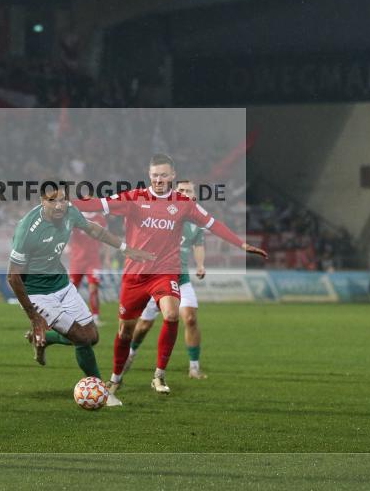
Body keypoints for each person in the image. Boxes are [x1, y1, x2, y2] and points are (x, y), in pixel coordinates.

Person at [75, 154, 267, 395]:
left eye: (164, 175)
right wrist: (65, 203)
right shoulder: (133, 198)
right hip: (135, 275)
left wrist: (241, 244)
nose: (159, 180)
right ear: (149, 175)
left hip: (164, 273)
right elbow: (97, 204)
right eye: (155, 175)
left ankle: (159, 375)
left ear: (172, 176)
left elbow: (212, 223)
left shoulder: (183, 203)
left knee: (173, 315)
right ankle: (115, 378)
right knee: (126, 331)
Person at [7, 184, 154, 407]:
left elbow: (94, 229)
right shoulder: (27, 229)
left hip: (62, 285)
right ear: (41, 201)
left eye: (63, 200)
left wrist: (126, 248)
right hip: (38, 295)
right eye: (52, 201)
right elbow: (12, 277)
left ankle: (43, 339)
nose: (59, 205)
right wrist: (34, 316)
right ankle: (102, 392)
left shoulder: (69, 212)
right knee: (81, 338)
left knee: (92, 336)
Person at [122, 179, 210, 380]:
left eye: (188, 191)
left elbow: (198, 244)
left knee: (190, 318)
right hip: (154, 279)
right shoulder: (159, 211)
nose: (184, 193)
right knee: (143, 326)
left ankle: (194, 367)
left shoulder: (197, 220)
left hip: (181, 279)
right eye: (181, 190)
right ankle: (131, 354)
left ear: (194, 196)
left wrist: (200, 264)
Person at [68, 210, 108, 324]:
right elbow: (66, 232)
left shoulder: (100, 218)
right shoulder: (75, 217)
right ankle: (70, 315)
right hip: (77, 260)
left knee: (93, 289)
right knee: (72, 290)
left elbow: (106, 237)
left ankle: (95, 316)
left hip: (93, 260)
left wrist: (106, 257)